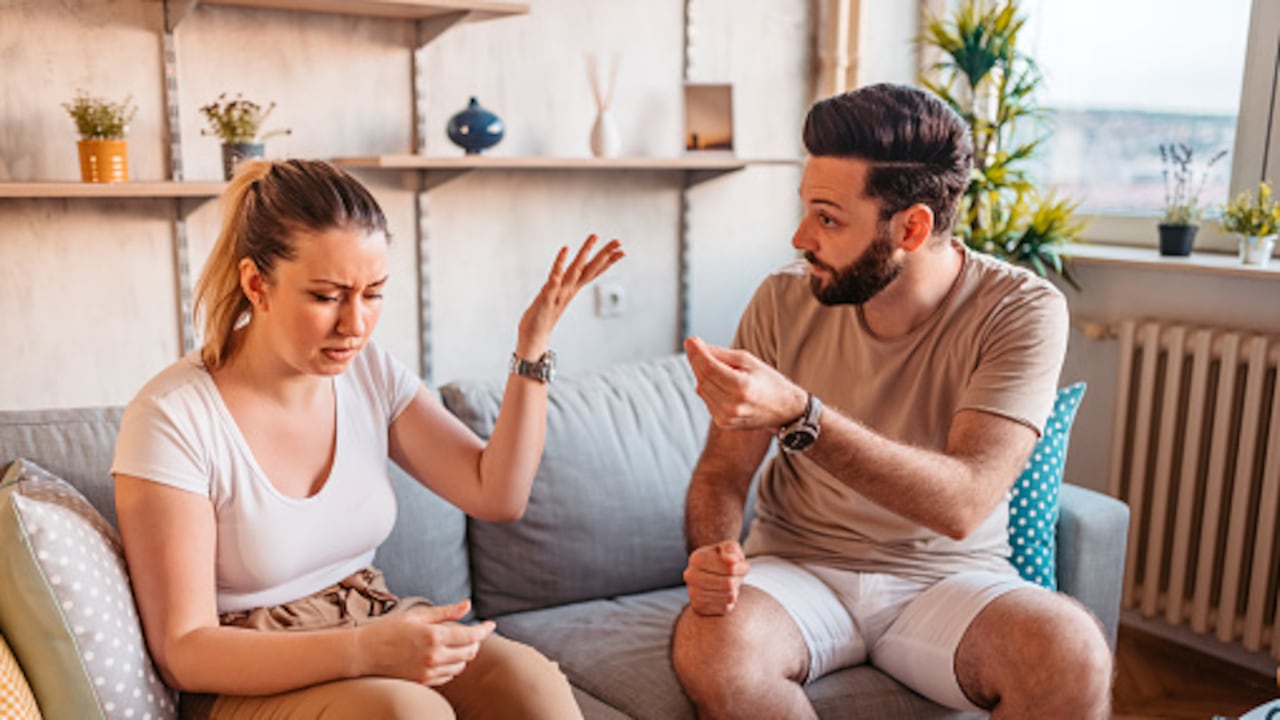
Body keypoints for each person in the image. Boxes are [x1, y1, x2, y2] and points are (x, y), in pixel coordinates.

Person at [111, 158, 624, 719]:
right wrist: (364, 650)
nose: (354, 325)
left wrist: (532, 348)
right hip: (245, 671)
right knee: (406, 712)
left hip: (366, 617)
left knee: (529, 681)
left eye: (373, 293)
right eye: (327, 296)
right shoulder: (171, 418)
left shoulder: (369, 372)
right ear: (256, 284)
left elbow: (496, 493)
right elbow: (184, 651)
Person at [671, 83, 1112, 719]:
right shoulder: (780, 301)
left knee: (1073, 651)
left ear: (911, 228)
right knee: (713, 648)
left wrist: (802, 416)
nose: (800, 237)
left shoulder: (1020, 310)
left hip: (950, 579)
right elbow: (722, 472)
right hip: (798, 569)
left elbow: (963, 502)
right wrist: (712, 554)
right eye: (806, 210)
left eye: (827, 218)